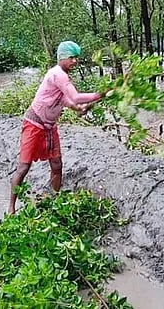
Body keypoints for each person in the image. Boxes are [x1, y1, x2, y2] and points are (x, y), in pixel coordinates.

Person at [7, 41, 104, 214]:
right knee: (23, 167)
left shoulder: (62, 77)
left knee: (57, 165)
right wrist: (99, 94)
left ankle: (56, 198)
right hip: (34, 124)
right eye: (71, 58)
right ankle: (11, 207)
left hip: (49, 127)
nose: (74, 61)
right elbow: (75, 96)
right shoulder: (57, 74)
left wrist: (80, 109)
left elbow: (68, 101)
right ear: (61, 58)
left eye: (76, 58)